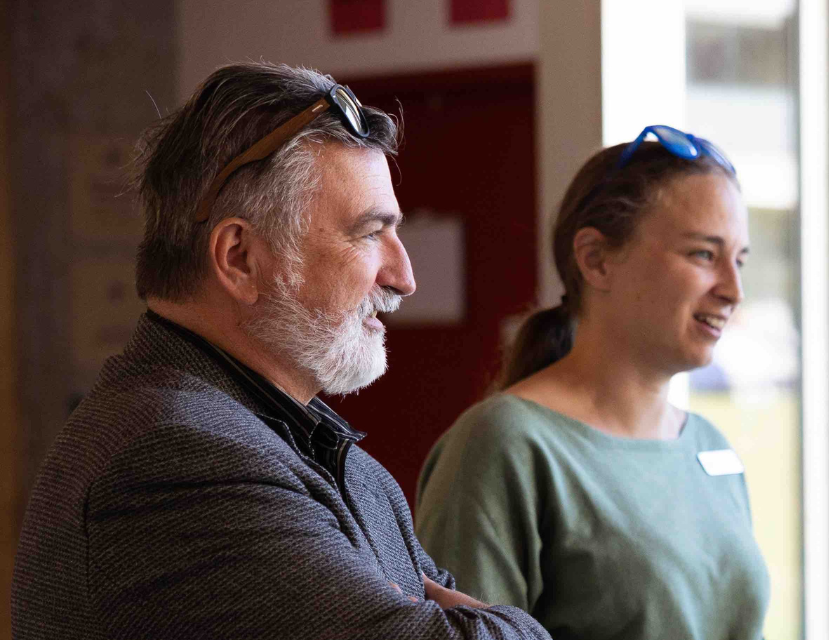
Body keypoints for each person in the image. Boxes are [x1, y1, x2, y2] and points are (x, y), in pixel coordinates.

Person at [10, 63, 547, 639]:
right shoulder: (176, 459)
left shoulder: (328, 453)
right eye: (370, 233)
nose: (403, 277)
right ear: (240, 257)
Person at [413, 126, 769, 640]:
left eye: (738, 260)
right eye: (702, 255)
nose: (734, 290)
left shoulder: (712, 449)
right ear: (596, 260)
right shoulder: (502, 444)